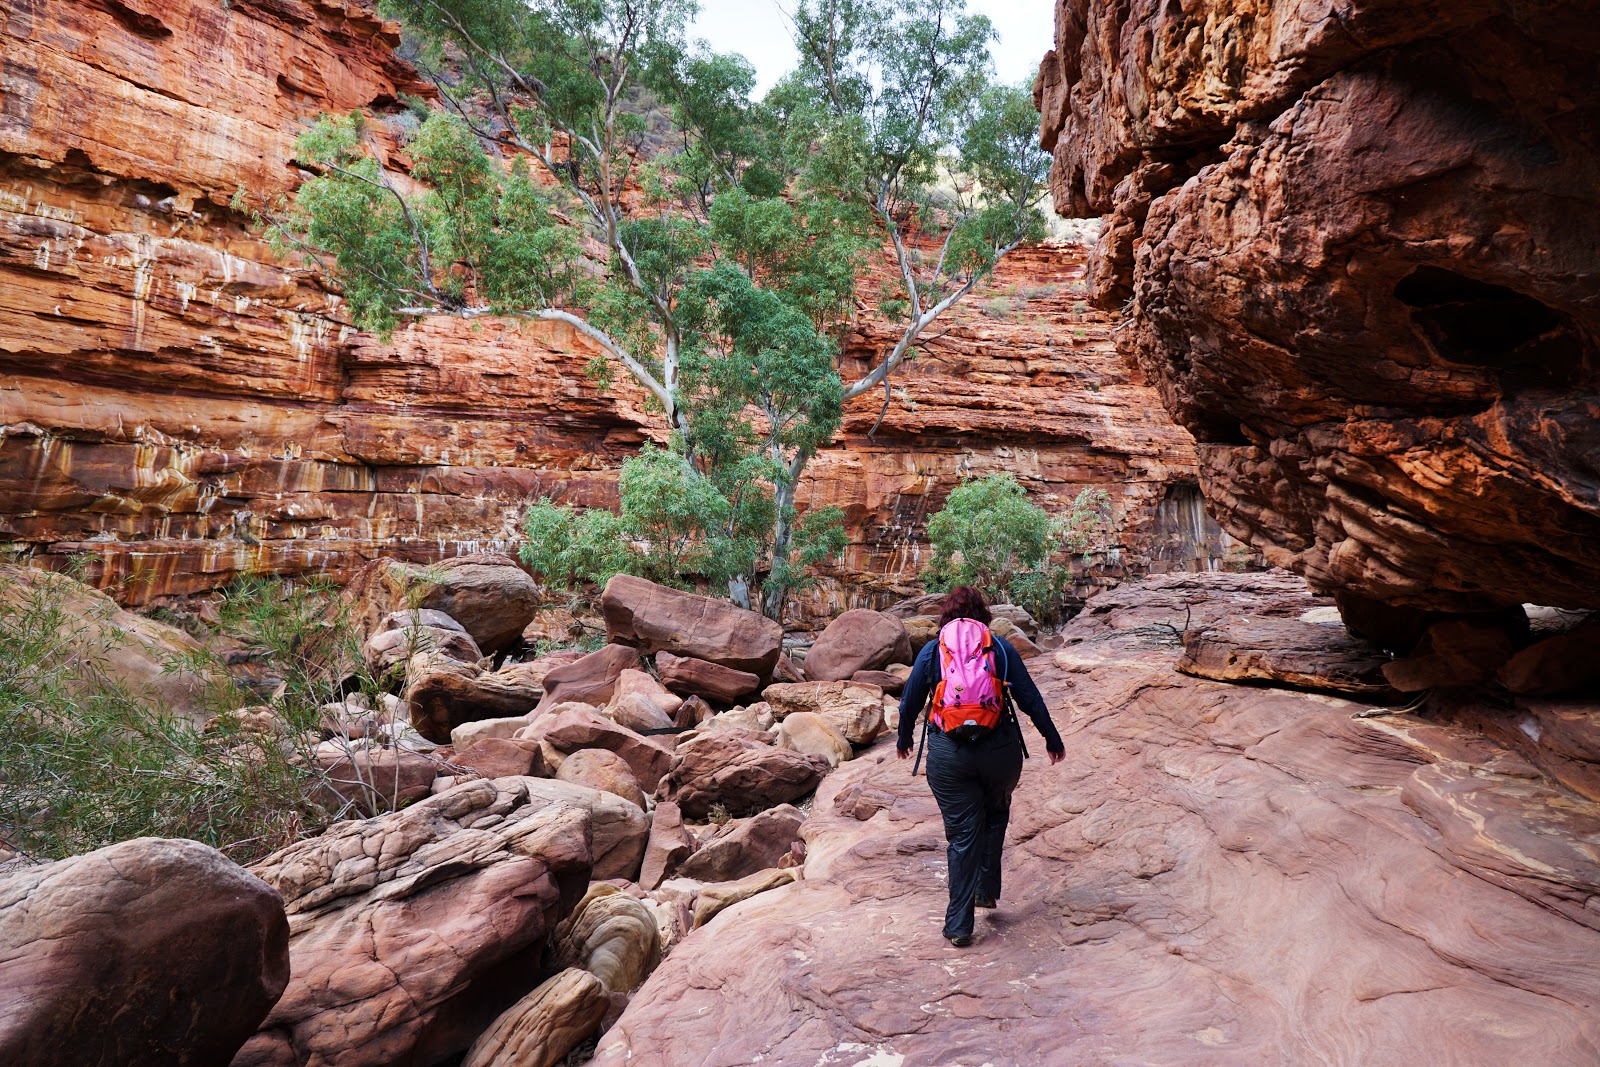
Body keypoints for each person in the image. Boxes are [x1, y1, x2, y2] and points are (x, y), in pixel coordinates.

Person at [896, 586, 1065, 947]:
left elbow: (909, 701)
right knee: (995, 813)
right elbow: (1030, 699)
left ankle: (959, 926)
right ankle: (985, 890)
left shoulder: (933, 651)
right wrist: (1053, 740)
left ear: (946, 615)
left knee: (962, 836)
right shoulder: (1000, 648)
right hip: (1000, 753)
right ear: (983, 614)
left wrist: (903, 739)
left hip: (948, 755)